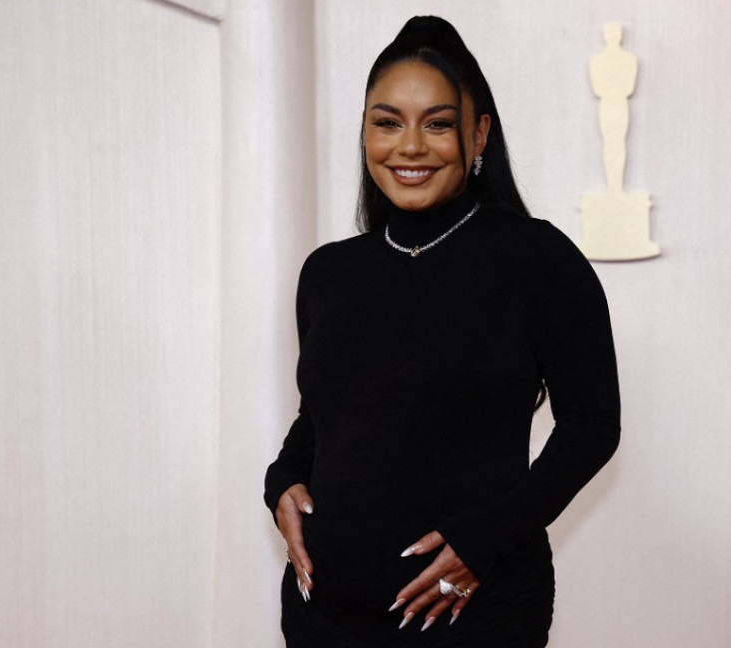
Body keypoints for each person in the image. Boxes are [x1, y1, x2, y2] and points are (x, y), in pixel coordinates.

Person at [264, 15, 621, 648]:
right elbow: (325, 417)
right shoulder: (328, 273)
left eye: (437, 123)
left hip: (471, 616)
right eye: (386, 122)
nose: (409, 147)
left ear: (478, 133)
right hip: (323, 618)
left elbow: (593, 428)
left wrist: (485, 543)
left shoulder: (538, 261)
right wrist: (283, 480)